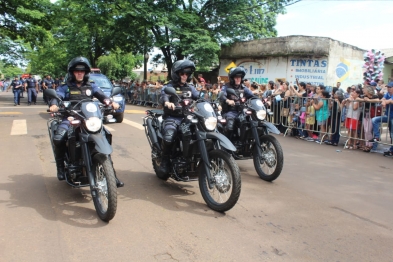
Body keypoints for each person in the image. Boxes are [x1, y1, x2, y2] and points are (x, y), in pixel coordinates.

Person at [48, 56, 123, 187]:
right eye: (77, 70)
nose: (79, 73)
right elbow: (57, 96)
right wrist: (54, 104)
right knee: (59, 138)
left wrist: (110, 102)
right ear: (72, 72)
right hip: (71, 118)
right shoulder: (65, 87)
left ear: (86, 72)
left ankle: (112, 175)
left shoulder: (91, 86)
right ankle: (60, 168)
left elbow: (102, 96)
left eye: (82, 71)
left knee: (105, 135)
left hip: (88, 119)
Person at [158, 60, 200, 174]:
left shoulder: (190, 88)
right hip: (172, 117)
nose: (185, 76)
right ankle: (164, 161)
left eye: (187, 74)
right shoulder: (169, 86)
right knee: (169, 136)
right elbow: (164, 96)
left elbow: (199, 97)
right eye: (182, 74)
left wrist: (210, 102)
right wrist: (167, 102)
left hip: (188, 117)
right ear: (176, 74)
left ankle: (190, 157)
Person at [220, 67, 254, 143]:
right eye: (236, 77)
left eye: (240, 77)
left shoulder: (243, 88)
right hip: (230, 111)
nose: (238, 79)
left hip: (241, 110)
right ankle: (227, 144)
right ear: (232, 78)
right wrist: (228, 100)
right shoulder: (226, 86)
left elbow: (252, 96)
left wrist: (262, 101)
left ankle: (243, 141)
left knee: (247, 121)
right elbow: (221, 95)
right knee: (230, 125)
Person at [369, 81, 393, 151]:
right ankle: (377, 137)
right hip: (387, 116)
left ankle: (391, 150)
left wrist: (385, 102)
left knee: (392, 134)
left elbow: (390, 101)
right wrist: (384, 101)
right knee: (374, 120)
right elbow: (382, 99)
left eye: (390, 87)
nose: (388, 88)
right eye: (388, 87)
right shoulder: (387, 94)